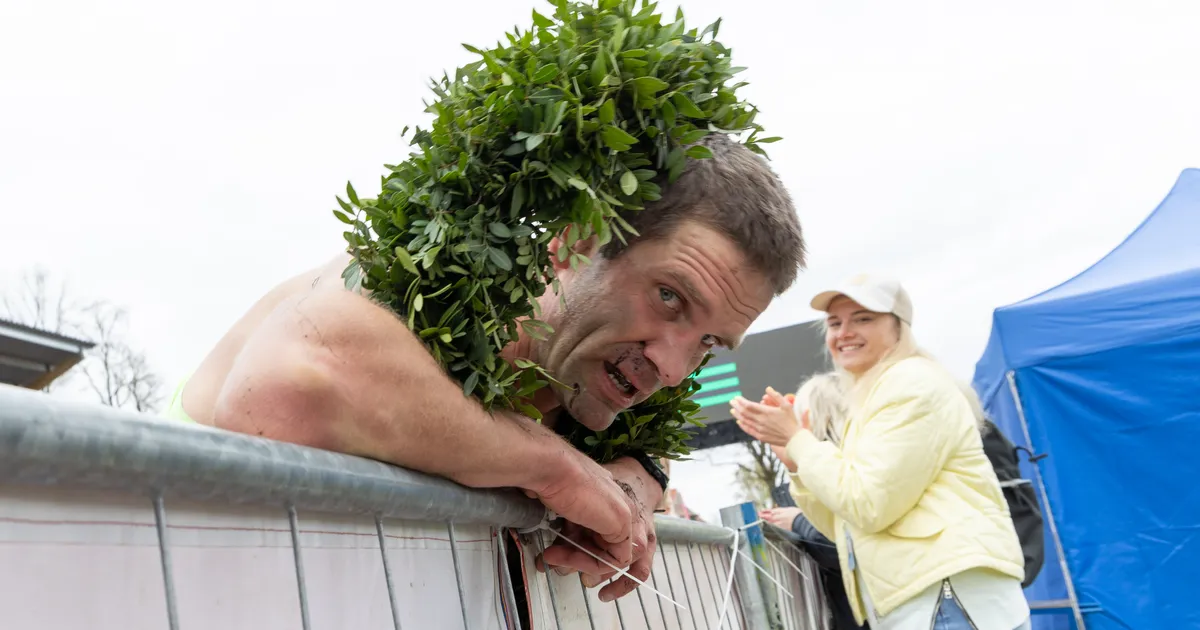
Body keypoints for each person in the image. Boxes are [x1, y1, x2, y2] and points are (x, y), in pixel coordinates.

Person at [163, 133, 805, 602]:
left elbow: (642, 464)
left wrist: (629, 489)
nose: (670, 366)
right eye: (668, 296)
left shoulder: (584, 375)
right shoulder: (418, 277)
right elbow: (276, 392)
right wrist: (554, 468)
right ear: (575, 240)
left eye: (709, 343)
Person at [731, 274, 1030, 630]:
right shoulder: (877, 394)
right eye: (834, 322)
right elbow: (844, 524)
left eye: (863, 318)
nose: (844, 332)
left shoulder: (909, 384)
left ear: (899, 327)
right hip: (933, 602)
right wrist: (797, 462)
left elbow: (868, 504)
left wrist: (799, 440)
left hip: (945, 600)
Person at [759, 372, 866, 630]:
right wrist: (794, 465)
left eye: (797, 420)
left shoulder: (859, 468)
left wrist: (798, 522)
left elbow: (842, 549)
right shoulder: (819, 472)